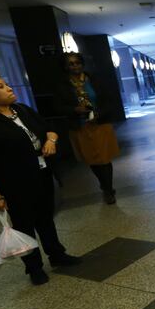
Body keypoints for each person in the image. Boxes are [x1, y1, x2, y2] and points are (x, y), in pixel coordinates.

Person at [0, 74, 82, 285]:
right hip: (14, 183)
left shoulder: (23, 110)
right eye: (1, 86)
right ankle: (34, 267)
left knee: (46, 218)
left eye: (7, 84)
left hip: (42, 174)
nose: (9, 88)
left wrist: (51, 141)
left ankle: (57, 254)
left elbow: (48, 129)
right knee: (23, 225)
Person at [54, 52, 120, 204]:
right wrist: (74, 110)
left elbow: (109, 100)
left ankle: (108, 190)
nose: (75, 66)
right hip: (80, 127)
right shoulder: (62, 85)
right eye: (71, 63)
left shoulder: (95, 79)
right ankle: (104, 186)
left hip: (100, 124)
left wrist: (99, 113)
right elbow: (57, 107)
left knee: (104, 158)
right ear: (65, 66)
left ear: (82, 64)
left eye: (77, 62)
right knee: (91, 159)